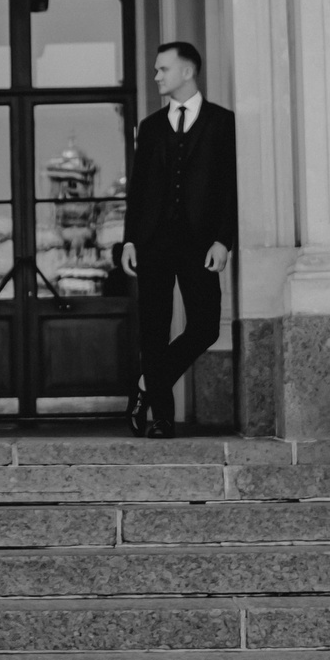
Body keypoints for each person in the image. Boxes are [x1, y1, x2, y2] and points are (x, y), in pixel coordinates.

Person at [121, 41, 236, 438]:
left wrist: (224, 240)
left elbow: (229, 188)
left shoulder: (223, 123)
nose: (156, 77)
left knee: (205, 326)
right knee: (153, 329)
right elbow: (138, 189)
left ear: (187, 72)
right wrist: (129, 240)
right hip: (153, 242)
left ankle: (144, 386)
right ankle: (162, 420)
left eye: (162, 69)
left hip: (199, 244)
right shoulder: (151, 127)